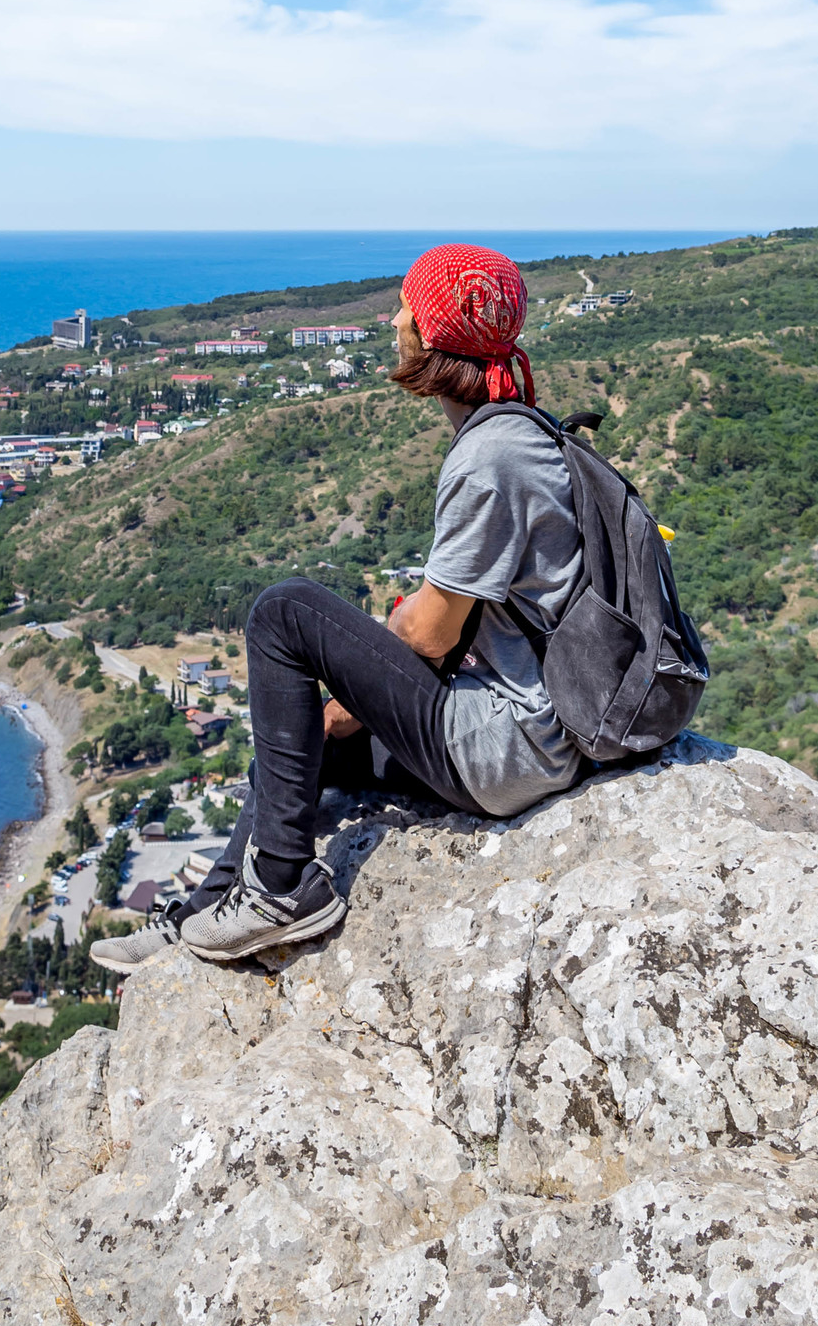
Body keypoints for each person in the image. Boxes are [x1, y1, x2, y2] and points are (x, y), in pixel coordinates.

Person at [91, 242, 588, 971]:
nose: (394, 319)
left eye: (407, 308)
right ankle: (204, 911)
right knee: (301, 736)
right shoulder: (526, 429)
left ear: (435, 333)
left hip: (507, 748)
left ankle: (285, 891)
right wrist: (359, 697)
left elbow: (428, 632)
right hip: (529, 734)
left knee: (284, 611)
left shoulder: (491, 458)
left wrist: (383, 649)